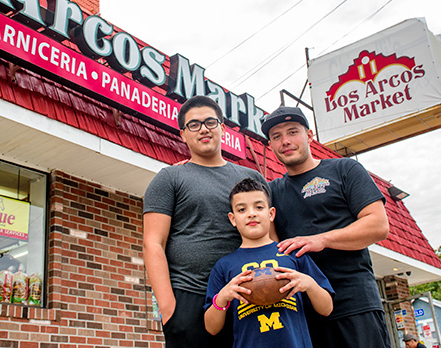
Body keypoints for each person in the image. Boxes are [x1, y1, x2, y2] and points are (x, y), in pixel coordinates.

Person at [261, 106, 392, 348]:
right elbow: (269, 245)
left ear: (309, 136)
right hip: (304, 312)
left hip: (354, 304)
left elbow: (378, 225)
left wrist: (321, 240)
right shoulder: (271, 192)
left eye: (292, 132)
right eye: (276, 137)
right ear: (271, 145)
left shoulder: (345, 169)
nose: (285, 141)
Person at [143, 95, 267, 348]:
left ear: (222, 128)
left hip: (249, 294)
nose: (203, 129)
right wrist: (169, 310)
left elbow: (270, 235)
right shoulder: (169, 178)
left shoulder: (251, 177)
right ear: (182, 134)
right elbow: (153, 243)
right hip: (191, 298)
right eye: (194, 124)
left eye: (210, 122)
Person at [204, 178, 334, 348]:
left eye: (259, 207)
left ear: (271, 214)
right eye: (242, 209)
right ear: (232, 219)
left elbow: (327, 309)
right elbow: (211, 328)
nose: (251, 213)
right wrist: (222, 298)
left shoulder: (292, 253)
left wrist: (309, 283)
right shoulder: (224, 266)